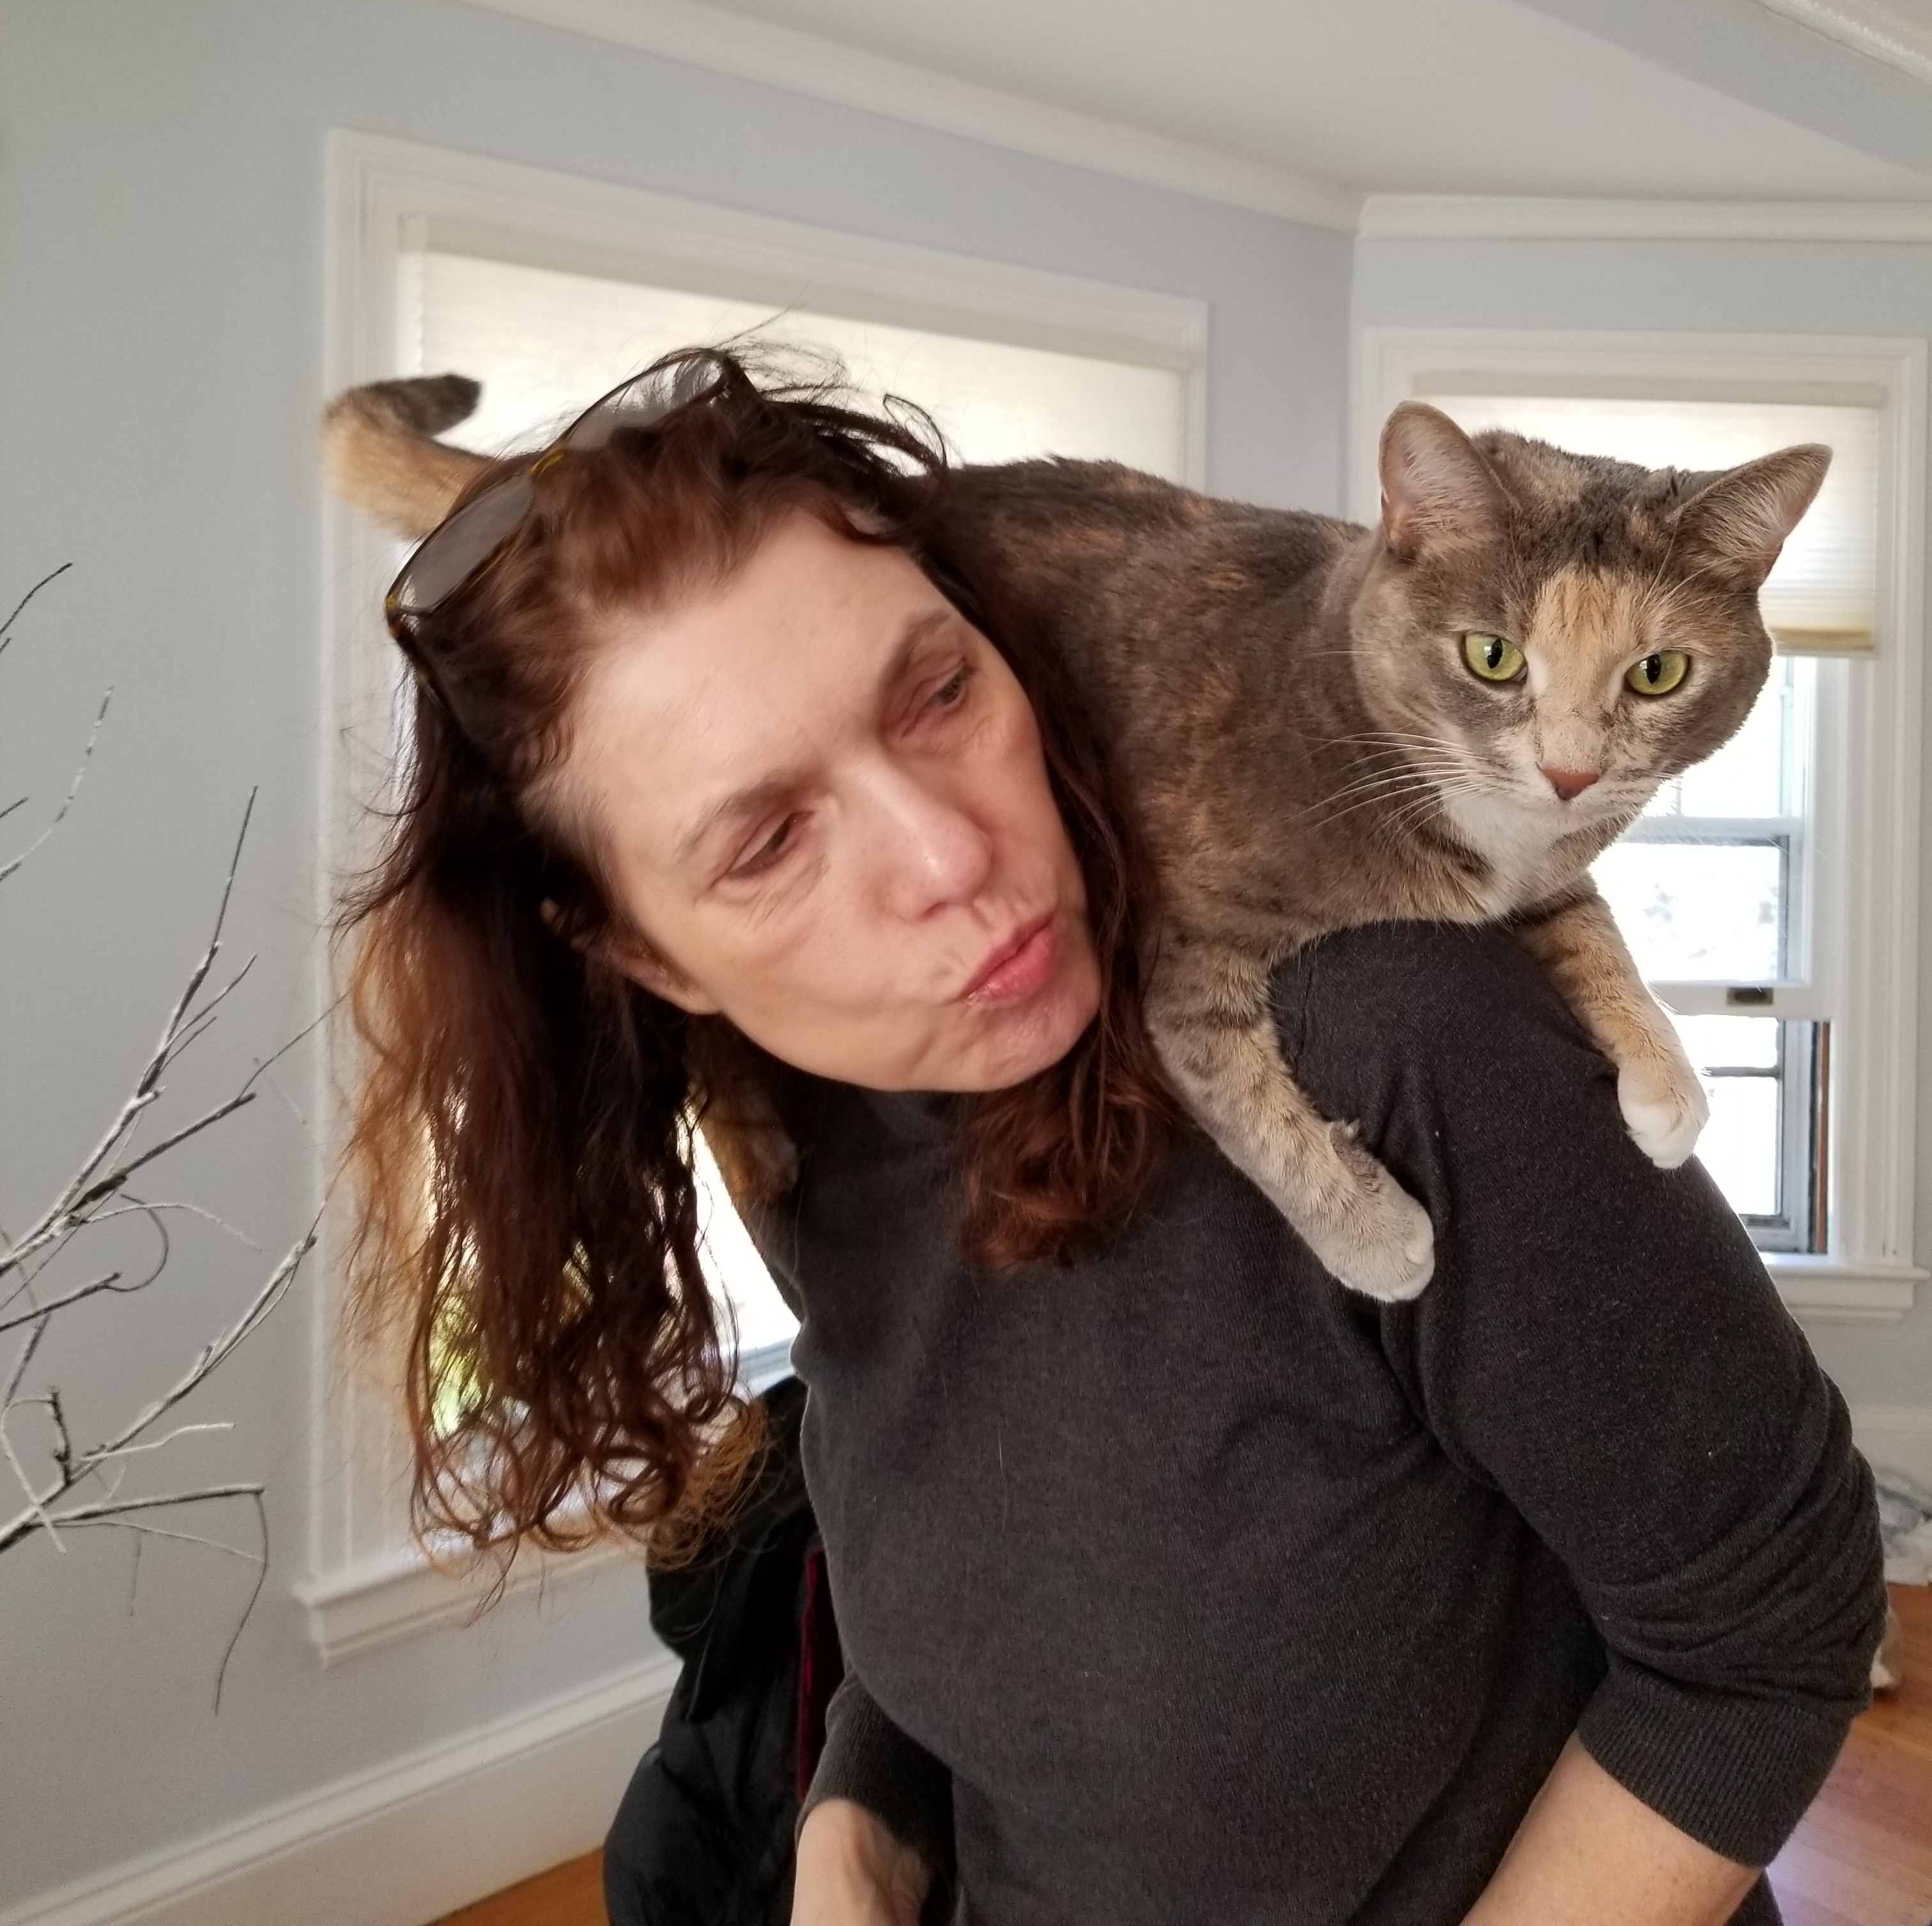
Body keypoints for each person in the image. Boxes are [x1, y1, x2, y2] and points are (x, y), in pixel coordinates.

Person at [344, 352, 1884, 1926]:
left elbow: (1769, 1622)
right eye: (769, 839)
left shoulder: (1398, 1034)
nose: (951, 854)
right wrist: (859, 1820)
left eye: (937, 691)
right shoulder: (807, 1121)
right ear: (653, 962)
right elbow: (995, 1544)